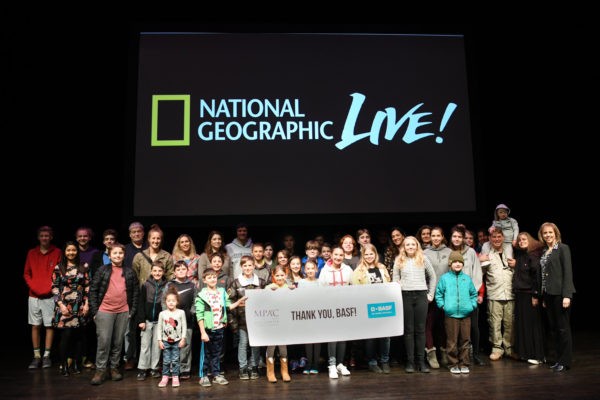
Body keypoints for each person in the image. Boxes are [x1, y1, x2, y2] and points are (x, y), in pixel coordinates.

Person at [89, 243, 139, 385]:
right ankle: (100, 370)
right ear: (109, 255)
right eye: (115, 253)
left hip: (123, 311)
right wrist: (95, 311)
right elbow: (93, 290)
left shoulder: (129, 272)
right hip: (105, 311)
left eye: (120, 253)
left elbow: (135, 293)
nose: (118, 255)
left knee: (118, 342)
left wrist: (132, 311)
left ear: (124, 255)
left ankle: (114, 368)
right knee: (104, 341)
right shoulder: (102, 270)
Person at [393, 236, 437, 373]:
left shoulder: (423, 258)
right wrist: (398, 286)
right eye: (408, 245)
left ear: (417, 246)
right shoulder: (398, 260)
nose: (410, 247)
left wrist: (430, 294)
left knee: (420, 329)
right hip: (405, 296)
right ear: (404, 247)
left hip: (421, 296)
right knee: (409, 330)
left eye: (413, 244)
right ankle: (410, 362)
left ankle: (421, 361)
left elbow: (433, 276)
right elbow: (395, 279)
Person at [538, 222, 575, 372]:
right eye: (545, 233)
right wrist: (543, 296)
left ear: (556, 233)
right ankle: (558, 359)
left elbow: (568, 273)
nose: (548, 235)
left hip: (560, 295)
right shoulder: (545, 251)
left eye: (550, 232)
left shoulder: (563, 248)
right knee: (554, 329)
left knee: (563, 329)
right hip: (548, 295)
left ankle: (565, 361)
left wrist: (567, 295)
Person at [24, 225, 62, 369]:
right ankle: (36, 356)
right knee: (35, 325)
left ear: (51, 237)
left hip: (50, 296)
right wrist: (33, 286)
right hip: (33, 296)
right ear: (38, 237)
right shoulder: (31, 253)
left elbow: (59, 273)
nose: (44, 238)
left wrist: (51, 288)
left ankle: (46, 356)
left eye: (47, 236)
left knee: (49, 326)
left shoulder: (57, 252)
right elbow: (26, 273)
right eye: (42, 236)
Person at [435, 251, 478, 374]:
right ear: (450, 264)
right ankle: (453, 363)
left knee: (465, 340)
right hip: (451, 315)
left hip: (466, 314)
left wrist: (472, 306)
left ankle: (464, 363)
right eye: (455, 262)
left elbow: (473, 294)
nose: (458, 264)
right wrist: (443, 306)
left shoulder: (467, 279)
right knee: (452, 341)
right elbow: (439, 294)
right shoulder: (445, 278)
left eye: (460, 262)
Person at [196, 268, 241, 387]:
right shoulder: (202, 294)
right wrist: (202, 332)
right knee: (206, 354)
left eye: (214, 277)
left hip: (219, 328)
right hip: (207, 329)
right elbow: (199, 315)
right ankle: (203, 375)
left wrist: (238, 302)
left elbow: (227, 306)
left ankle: (216, 374)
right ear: (204, 280)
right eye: (209, 277)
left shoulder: (221, 291)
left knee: (216, 353)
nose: (212, 279)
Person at [351, 243, 392, 374]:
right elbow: (355, 291)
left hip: (383, 306)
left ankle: (384, 361)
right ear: (363, 255)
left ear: (375, 254)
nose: (369, 256)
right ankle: (372, 362)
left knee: (385, 336)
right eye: (366, 254)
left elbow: (389, 284)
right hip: (367, 307)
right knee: (371, 337)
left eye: (371, 254)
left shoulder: (382, 268)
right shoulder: (358, 270)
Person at [51, 241, 90, 376]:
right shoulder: (59, 267)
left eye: (73, 250)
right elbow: (54, 288)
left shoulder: (83, 267)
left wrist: (86, 304)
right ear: (65, 252)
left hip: (79, 306)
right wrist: (61, 306)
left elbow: (87, 287)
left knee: (78, 337)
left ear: (77, 252)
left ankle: (75, 364)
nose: (71, 253)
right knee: (66, 337)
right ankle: (64, 365)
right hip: (64, 307)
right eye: (68, 250)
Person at [228, 255, 267, 380]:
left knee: (255, 344)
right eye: (245, 265)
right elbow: (230, 303)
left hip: (257, 320)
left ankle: (254, 366)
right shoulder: (236, 283)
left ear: (254, 266)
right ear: (241, 267)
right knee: (243, 343)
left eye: (250, 265)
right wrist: (233, 323)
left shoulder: (261, 282)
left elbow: (268, 299)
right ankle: (243, 367)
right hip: (242, 320)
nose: (248, 268)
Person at [479, 227, 515, 361]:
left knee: (510, 323)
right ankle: (497, 349)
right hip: (494, 294)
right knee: (494, 324)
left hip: (510, 294)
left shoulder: (510, 254)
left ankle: (509, 348)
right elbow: (478, 274)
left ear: (503, 238)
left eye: (499, 236)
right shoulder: (487, 256)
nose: (497, 239)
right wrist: (479, 259)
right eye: (494, 237)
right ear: (490, 239)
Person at [509, 232, 545, 365]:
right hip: (520, 294)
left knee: (533, 325)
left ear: (530, 240)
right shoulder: (522, 255)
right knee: (524, 325)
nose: (521, 241)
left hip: (529, 294)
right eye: (519, 240)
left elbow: (537, 276)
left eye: (524, 239)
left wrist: (535, 295)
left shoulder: (533, 255)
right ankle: (526, 353)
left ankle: (537, 355)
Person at [318, 245, 353, 379]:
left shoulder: (348, 270)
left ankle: (340, 364)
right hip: (330, 307)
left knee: (342, 337)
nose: (338, 257)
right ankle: (331, 365)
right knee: (332, 337)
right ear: (331, 256)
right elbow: (320, 290)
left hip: (344, 308)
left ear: (343, 257)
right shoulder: (324, 271)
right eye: (336, 255)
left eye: (341, 255)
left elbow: (353, 287)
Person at [164, 260, 198, 380]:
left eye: (183, 269)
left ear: (187, 270)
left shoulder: (192, 285)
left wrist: (191, 312)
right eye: (178, 269)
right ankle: (173, 369)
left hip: (187, 322)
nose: (181, 271)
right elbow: (164, 301)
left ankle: (184, 369)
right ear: (174, 272)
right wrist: (167, 316)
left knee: (185, 347)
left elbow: (196, 302)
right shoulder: (170, 285)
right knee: (172, 346)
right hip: (171, 322)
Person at [423, 226, 451, 369]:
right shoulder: (424, 253)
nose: (435, 238)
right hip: (431, 294)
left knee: (443, 325)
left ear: (442, 237)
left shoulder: (449, 252)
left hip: (446, 294)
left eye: (438, 235)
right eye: (433, 236)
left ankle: (444, 353)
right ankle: (431, 354)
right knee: (430, 324)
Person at [135, 260, 167, 381]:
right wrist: (141, 320)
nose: (157, 273)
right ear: (151, 271)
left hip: (159, 321)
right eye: (155, 270)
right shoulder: (146, 284)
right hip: (147, 320)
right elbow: (141, 304)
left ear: (163, 272)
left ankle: (154, 368)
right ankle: (143, 369)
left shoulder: (167, 285)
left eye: (160, 271)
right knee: (145, 345)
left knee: (157, 346)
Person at [123, 221, 147, 370]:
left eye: (139, 231)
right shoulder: (125, 250)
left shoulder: (149, 248)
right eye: (133, 232)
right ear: (130, 234)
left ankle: (145, 359)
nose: (136, 234)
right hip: (131, 293)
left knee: (145, 328)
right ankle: (129, 358)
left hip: (148, 293)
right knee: (129, 329)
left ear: (143, 233)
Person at [264, 266, 294, 383]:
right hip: (272, 321)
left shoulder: (289, 287)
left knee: (283, 346)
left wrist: (292, 290)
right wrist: (268, 290)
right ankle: (270, 372)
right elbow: (261, 299)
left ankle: (284, 371)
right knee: (271, 345)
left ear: (286, 275)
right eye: (277, 275)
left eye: (282, 275)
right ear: (273, 276)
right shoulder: (269, 287)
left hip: (284, 321)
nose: (280, 277)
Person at [157, 287, 187, 388]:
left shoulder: (181, 312)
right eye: (168, 300)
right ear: (165, 302)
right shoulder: (162, 314)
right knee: (165, 360)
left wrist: (183, 338)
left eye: (173, 301)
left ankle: (175, 376)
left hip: (177, 341)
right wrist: (159, 340)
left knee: (175, 360)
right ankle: (165, 376)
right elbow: (159, 328)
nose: (171, 303)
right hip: (165, 341)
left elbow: (184, 326)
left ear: (177, 302)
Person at [297, 259, 320, 375]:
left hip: (318, 316)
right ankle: (308, 364)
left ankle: (315, 364)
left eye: (312, 268)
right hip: (306, 315)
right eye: (308, 268)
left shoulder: (321, 282)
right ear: (304, 270)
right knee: (308, 341)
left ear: (316, 269)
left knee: (317, 341)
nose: (310, 270)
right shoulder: (301, 283)